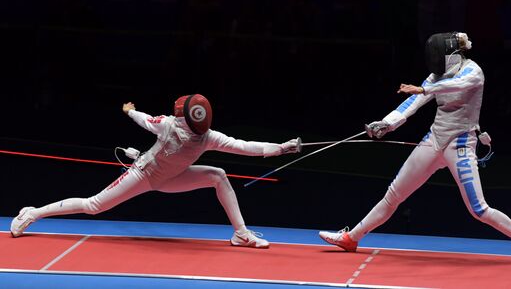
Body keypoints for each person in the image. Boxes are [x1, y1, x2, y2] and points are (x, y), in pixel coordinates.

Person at [319, 32, 511, 266]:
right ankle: (351, 238)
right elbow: (411, 103)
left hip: (461, 144)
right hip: (434, 140)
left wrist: (425, 90)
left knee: (478, 209)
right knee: (394, 194)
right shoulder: (436, 76)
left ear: (450, 54)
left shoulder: (473, 71)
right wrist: (386, 123)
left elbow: (457, 84)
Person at [11, 94, 301, 249]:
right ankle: (32, 212)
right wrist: (129, 111)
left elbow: (244, 146)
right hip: (144, 174)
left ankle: (241, 234)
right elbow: (143, 119)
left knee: (218, 175)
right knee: (94, 206)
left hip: (172, 178)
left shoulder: (207, 136)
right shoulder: (169, 126)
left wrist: (281, 148)